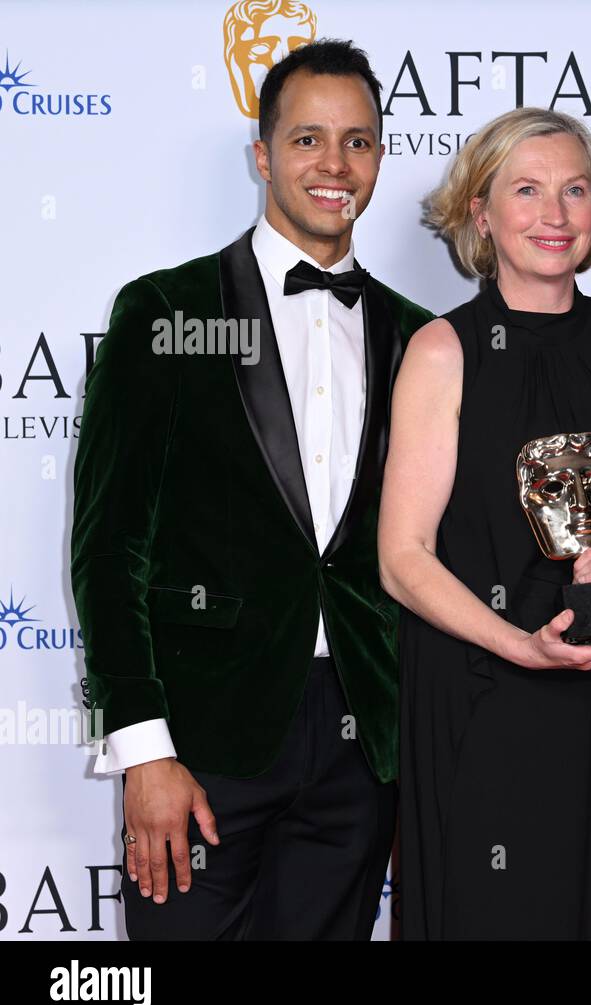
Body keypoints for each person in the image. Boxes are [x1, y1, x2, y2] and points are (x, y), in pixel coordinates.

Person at [70, 39, 434, 939]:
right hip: (201, 741)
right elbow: (111, 546)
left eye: (358, 141)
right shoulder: (165, 312)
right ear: (263, 154)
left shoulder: (422, 338)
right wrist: (144, 750)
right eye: (308, 139)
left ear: (381, 157)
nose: (334, 165)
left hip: (362, 746)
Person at [379, 106, 591, 940]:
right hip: (493, 701)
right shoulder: (441, 352)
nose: (555, 216)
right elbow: (402, 558)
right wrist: (520, 644)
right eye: (526, 191)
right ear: (480, 213)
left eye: (574, 190)